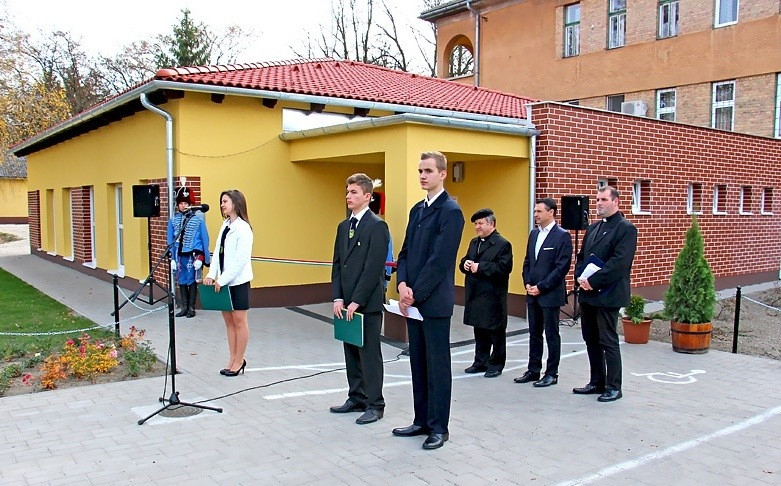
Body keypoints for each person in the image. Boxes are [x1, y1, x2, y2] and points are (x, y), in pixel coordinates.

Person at [392, 151, 464, 450]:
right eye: (420, 171)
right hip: (413, 299)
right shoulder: (416, 210)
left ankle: (438, 427)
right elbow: (405, 252)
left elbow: (440, 260)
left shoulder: (451, 211)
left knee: (437, 366)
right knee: (418, 363)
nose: (423, 176)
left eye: (428, 171)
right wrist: (402, 284)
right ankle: (421, 420)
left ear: (443, 174)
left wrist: (414, 294)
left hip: (433, 302)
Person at [329, 173, 391, 425]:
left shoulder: (377, 226)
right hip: (345, 303)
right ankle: (356, 397)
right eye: (347, 191)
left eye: (354, 192)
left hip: (366, 303)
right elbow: (337, 264)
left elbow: (373, 267)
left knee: (369, 354)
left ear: (367, 196)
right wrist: (338, 297)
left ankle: (375, 404)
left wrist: (357, 300)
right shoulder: (344, 226)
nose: (348, 196)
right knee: (351, 351)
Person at [574, 186, 637, 402]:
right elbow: (581, 256)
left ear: (615, 201)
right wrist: (580, 277)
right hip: (588, 292)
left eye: (603, 199)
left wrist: (593, 281)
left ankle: (614, 386)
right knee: (590, 338)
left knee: (607, 340)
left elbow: (619, 263)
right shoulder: (593, 228)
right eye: (597, 200)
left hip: (608, 293)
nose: (599, 203)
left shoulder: (626, 229)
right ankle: (596, 381)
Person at [516, 198, 572, 387]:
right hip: (532, 293)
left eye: (539, 211)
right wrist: (527, 283)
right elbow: (527, 262)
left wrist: (541, 287)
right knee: (534, 333)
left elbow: (561, 267)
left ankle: (551, 373)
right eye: (535, 211)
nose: (535, 215)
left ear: (551, 212)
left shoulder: (562, 236)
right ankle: (533, 370)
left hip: (550, 294)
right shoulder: (534, 234)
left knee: (551, 334)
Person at [203, 190, 254, 377]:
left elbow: (240, 260)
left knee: (239, 321)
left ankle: (239, 360)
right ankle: (232, 359)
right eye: (221, 202)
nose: (222, 205)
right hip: (223, 282)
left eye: (225, 201)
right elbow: (218, 252)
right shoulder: (225, 225)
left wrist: (222, 279)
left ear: (236, 203)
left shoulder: (243, 228)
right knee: (229, 322)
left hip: (237, 282)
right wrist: (212, 275)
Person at [459, 208, 513, 378]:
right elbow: (465, 259)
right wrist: (465, 264)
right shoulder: (474, 242)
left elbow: (504, 268)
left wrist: (480, 267)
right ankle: (480, 361)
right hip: (476, 294)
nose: (477, 227)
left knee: (496, 332)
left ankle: (496, 364)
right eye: (475, 224)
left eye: (480, 223)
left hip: (493, 295)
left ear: (492, 224)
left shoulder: (503, 244)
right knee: (479, 329)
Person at [167, 186, 210, 318]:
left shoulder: (198, 220)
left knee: (191, 280)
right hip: (179, 256)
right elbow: (170, 241)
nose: (183, 206)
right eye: (181, 203)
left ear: (190, 204)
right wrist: (172, 258)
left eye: (186, 203)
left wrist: (202, 258)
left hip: (193, 256)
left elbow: (204, 240)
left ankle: (191, 308)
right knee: (181, 280)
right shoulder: (173, 220)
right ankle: (184, 307)